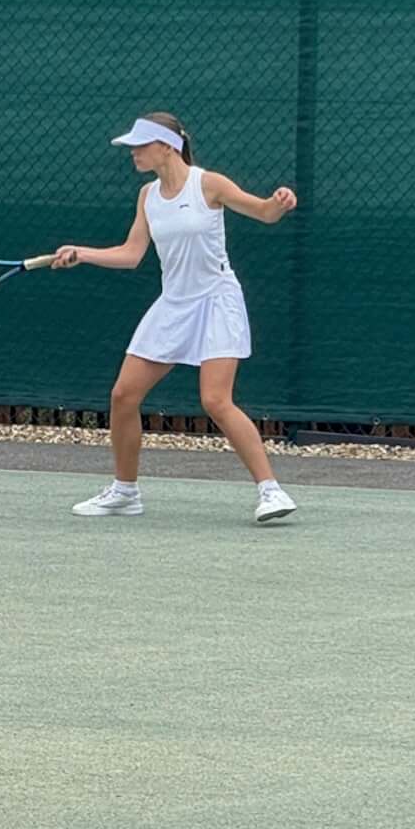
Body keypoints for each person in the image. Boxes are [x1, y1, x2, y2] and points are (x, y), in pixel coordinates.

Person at [55, 114, 299, 525]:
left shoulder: (209, 184)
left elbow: (264, 212)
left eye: (141, 145)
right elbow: (132, 254)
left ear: (167, 146)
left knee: (215, 400)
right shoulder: (147, 196)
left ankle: (270, 490)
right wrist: (83, 253)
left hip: (218, 299)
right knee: (123, 395)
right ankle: (125, 492)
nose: (133, 152)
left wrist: (279, 202)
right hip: (173, 304)